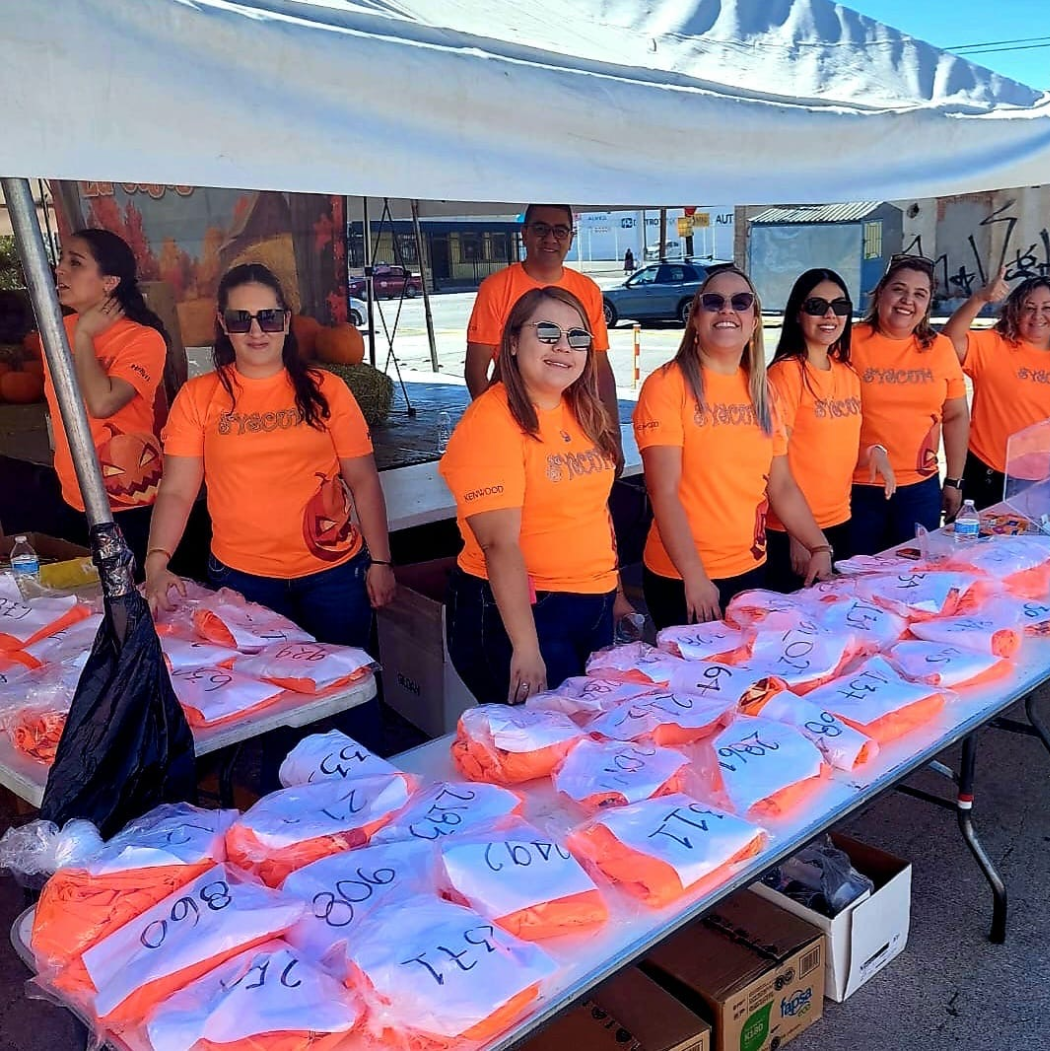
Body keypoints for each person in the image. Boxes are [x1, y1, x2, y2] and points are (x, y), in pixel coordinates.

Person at [144, 263, 394, 786]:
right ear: (222, 323)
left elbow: (363, 480)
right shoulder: (199, 397)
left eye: (269, 317)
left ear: (286, 320)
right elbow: (177, 489)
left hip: (334, 574)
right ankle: (290, 810)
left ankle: (371, 796)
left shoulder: (327, 389)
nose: (256, 330)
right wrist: (157, 561)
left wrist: (381, 559)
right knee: (275, 707)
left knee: (350, 696)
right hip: (246, 583)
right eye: (241, 319)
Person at [440, 286, 629, 705]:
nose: (563, 346)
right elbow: (498, 543)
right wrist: (525, 647)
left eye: (577, 336)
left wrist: (615, 593)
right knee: (544, 734)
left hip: (592, 603)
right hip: (526, 613)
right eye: (546, 333)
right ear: (511, 342)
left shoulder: (582, 409)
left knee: (588, 725)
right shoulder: (491, 421)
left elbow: (594, 510)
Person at [633, 266, 832, 630]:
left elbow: (781, 484)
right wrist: (694, 576)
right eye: (714, 302)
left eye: (741, 302)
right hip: (683, 579)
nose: (727, 309)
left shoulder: (763, 390)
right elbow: (664, 491)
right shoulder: (666, 385)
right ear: (696, 318)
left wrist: (818, 545)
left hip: (750, 567)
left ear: (754, 321)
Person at [43, 229, 170, 568]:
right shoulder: (53, 332)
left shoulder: (143, 339)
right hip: (74, 492)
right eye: (61, 260)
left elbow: (102, 403)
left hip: (128, 497)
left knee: (132, 590)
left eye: (75, 263)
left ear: (109, 282)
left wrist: (84, 336)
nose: (59, 269)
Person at [464, 204, 621, 466]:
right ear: (524, 234)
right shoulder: (496, 288)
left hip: (575, 424)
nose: (550, 238)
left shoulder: (588, 290)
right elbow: (475, 369)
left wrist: (611, 434)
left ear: (571, 238)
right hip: (517, 421)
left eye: (560, 231)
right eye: (541, 229)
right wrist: (493, 425)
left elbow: (600, 368)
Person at [766, 268, 888, 592]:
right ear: (798, 314)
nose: (830, 315)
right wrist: (798, 535)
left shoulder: (847, 372)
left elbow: (839, 439)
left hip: (840, 518)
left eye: (840, 306)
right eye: (817, 306)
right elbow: (773, 462)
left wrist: (876, 452)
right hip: (796, 530)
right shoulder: (785, 374)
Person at [942, 269, 1050, 509]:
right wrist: (979, 298)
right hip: (989, 474)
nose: (1038, 316)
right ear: (1016, 311)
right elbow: (947, 343)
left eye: (1047, 308)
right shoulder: (994, 345)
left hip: (1044, 481)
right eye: (1029, 307)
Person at [849, 256, 970, 555]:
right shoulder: (847, 341)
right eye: (899, 289)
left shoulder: (940, 348)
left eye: (919, 294)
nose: (907, 301)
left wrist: (954, 481)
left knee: (912, 573)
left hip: (920, 490)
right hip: (856, 487)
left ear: (927, 305)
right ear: (881, 292)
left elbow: (956, 416)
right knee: (855, 576)